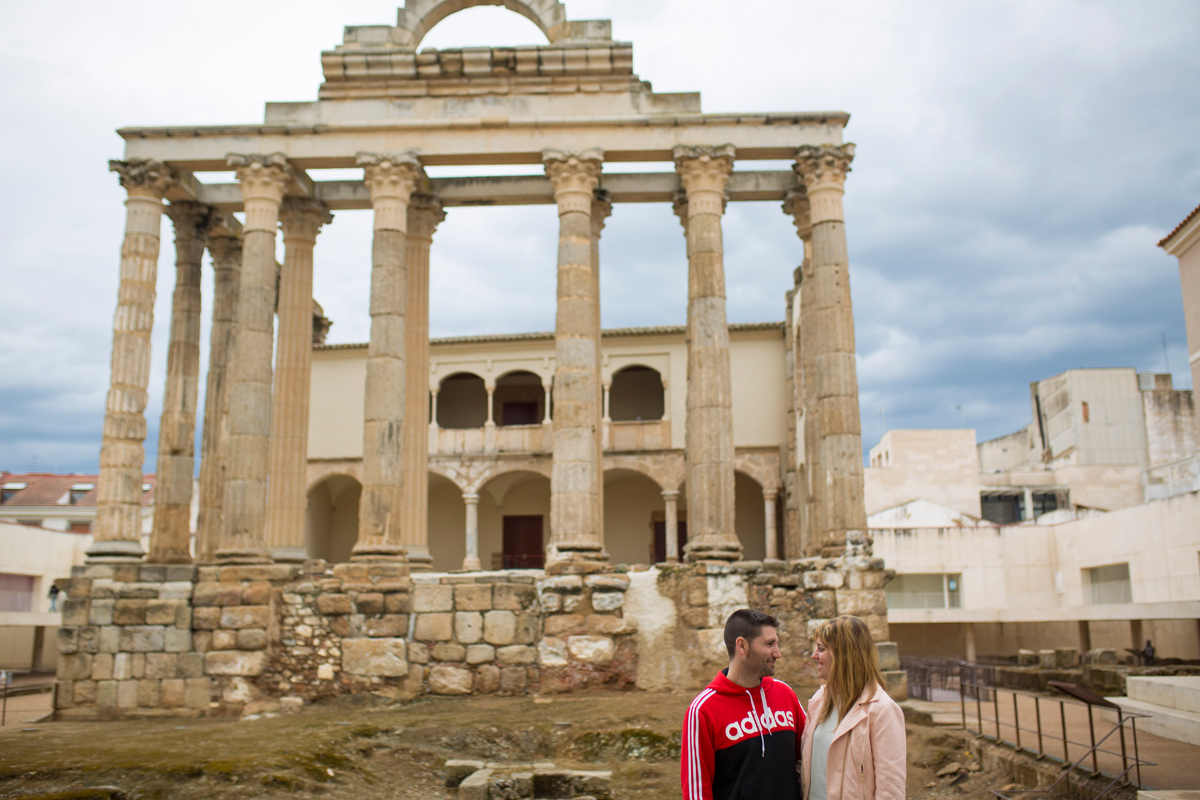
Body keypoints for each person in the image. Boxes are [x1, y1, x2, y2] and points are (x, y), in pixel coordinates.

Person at [681, 609, 806, 800]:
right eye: (769, 644)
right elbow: (696, 792)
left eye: (777, 643)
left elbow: (807, 759)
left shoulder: (785, 694)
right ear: (742, 646)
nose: (778, 653)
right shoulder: (702, 710)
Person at [801, 615, 906, 800]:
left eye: (821, 649)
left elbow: (891, 789)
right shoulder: (819, 700)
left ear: (844, 654)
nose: (814, 655)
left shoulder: (882, 711)